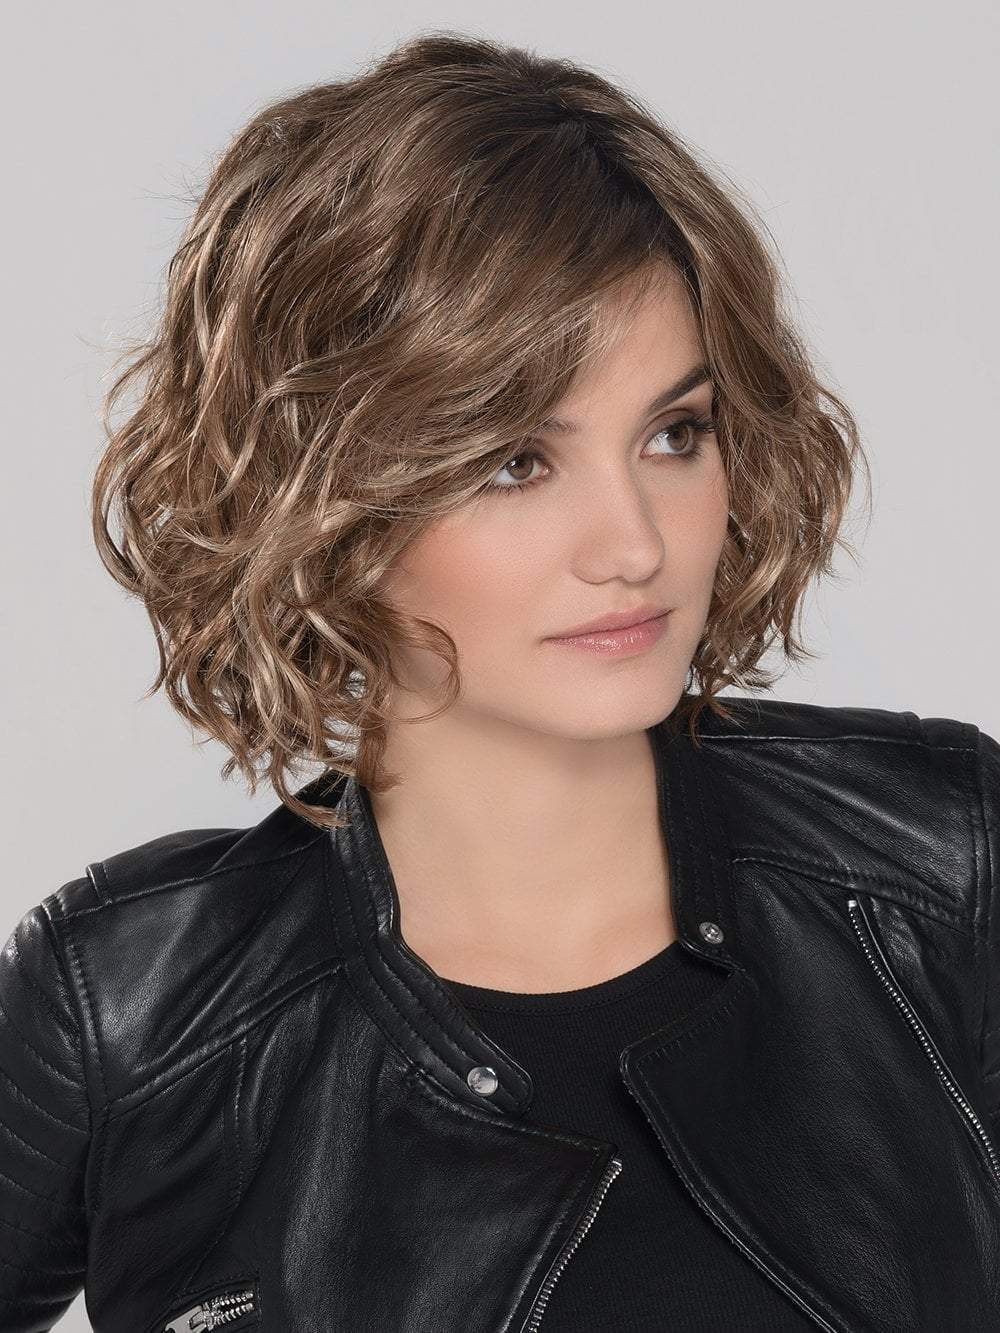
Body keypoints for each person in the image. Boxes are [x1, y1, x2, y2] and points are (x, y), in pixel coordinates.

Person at [3, 29, 999, 1333]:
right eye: (517, 461)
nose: (634, 545)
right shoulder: (130, 1006)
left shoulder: (937, 860)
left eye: (675, 434)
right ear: (324, 493)